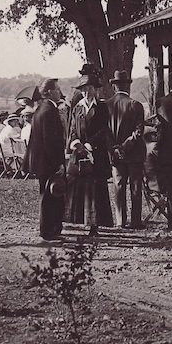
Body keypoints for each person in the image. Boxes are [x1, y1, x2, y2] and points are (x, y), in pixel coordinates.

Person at [67, 72, 112, 232]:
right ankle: (81, 221)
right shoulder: (77, 108)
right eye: (84, 89)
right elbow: (72, 129)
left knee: (96, 189)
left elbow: (104, 130)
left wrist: (89, 145)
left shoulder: (102, 107)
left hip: (96, 153)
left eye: (90, 88)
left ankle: (95, 224)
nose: (87, 92)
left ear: (95, 90)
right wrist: (76, 143)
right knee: (80, 189)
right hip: (79, 154)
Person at [25, 78, 67, 241]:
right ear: (49, 91)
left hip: (42, 161)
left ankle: (50, 229)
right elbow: (51, 141)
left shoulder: (42, 108)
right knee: (50, 197)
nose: (59, 92)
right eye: (57, 89)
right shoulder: (49, 110)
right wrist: (58, 163)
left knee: (48, 195)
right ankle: (48, 231)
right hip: (48, 162)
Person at [105, 70, 146, 229]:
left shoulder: (106, 105)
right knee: (136, 188)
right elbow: (138, 131)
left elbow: (105, 132)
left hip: (116, 155)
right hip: (134, 154)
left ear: (114, 86)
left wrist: (115, 148)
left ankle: (120, 220)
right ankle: (136, 221)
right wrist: (125, 146)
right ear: (128, 86)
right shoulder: (135, 105)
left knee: (118, 187)